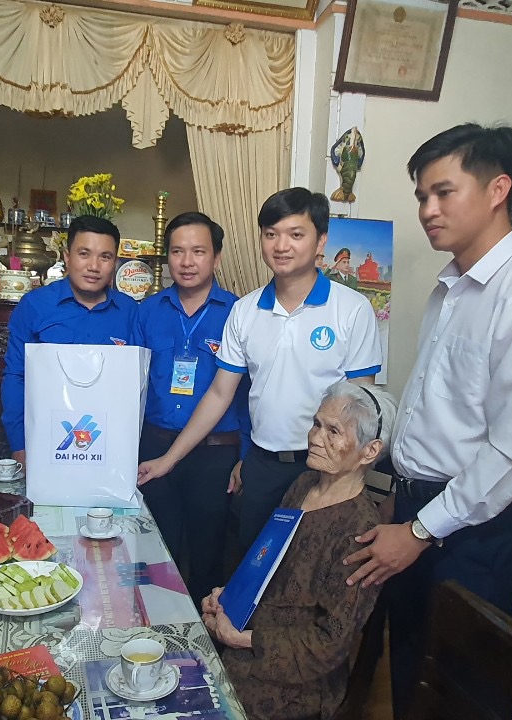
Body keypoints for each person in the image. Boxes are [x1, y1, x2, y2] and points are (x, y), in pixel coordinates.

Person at [341, 123, 512, 718]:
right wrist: (399, 501)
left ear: (498, 189)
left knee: (464, 690)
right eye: (422, 196)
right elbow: (437, 412)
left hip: (475, 530)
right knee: (415, 675)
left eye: (444, 192)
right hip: (421, 510)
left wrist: (421, 530)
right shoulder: (450, 289)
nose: (428, 210)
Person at [138, 188, 383, 558]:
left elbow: (362, 404)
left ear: (321, 241)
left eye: (295, 234)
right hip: (263, 466)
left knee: (311, 569)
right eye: (271, 234)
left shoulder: (351, 308)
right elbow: (220, 394)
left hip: (326, 469)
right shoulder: (246, 311)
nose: (281, 245)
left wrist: (347, 476)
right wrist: (168, 459)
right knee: (253, 568)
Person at [201, 381, 392, 720]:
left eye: (333, 431)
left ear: (369, 451)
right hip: (253, 633)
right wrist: (227, 598)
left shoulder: (359, 530)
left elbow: (330, 643)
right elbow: (265, 566)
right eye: (316, 424)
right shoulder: (303, 484)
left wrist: (241, 639)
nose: (315, 438)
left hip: (297, 679)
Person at [131, 211, 249, 608]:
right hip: (154, 444)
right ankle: (151, 627)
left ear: (216, 257)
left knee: (207, 552)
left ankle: (203, 637)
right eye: (177, 251)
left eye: (198, 251)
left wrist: (245, 456)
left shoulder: (239, 313)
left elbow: (251, 393)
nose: (186, 261)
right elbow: (130, 382)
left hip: (215, 453)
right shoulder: (147, 310)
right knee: (153, 547)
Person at [0, 215, 136, 468]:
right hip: (47, 436)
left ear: (115, 262)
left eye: (105, 257)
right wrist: (19, 444)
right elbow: (16, 376)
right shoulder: (35, 305)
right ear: (67, 256)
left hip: (109, 442)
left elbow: (136, 384)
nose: (93, 266)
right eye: (84, 254)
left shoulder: (130, 311)